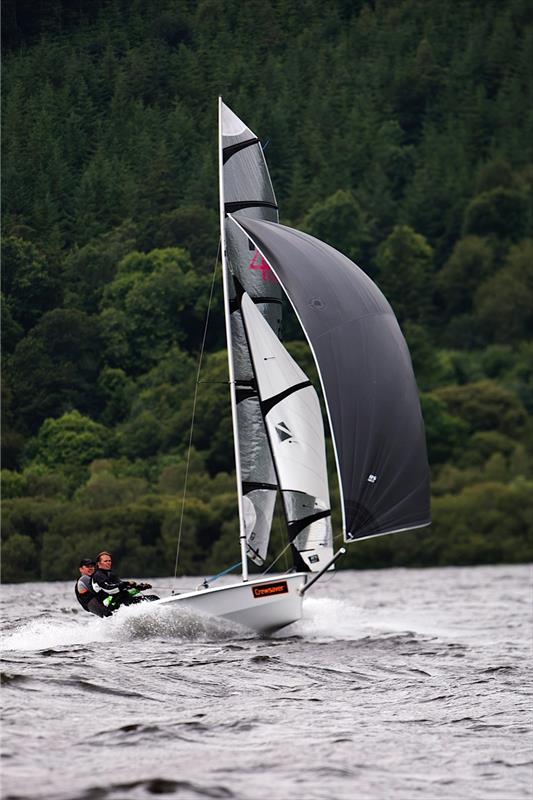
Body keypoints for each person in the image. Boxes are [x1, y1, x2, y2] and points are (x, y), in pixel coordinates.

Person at [91, 551, 158, 613]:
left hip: (122, 601)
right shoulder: (98, 575)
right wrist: (126, 583)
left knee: (153, 598)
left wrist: (139, 588)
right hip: (112, 606)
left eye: (110, 561)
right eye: (106, 561)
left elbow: (124, 589)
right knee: (152, 600)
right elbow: (110, 590)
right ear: (99, 563)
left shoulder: (111, 575)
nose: (109, 563)